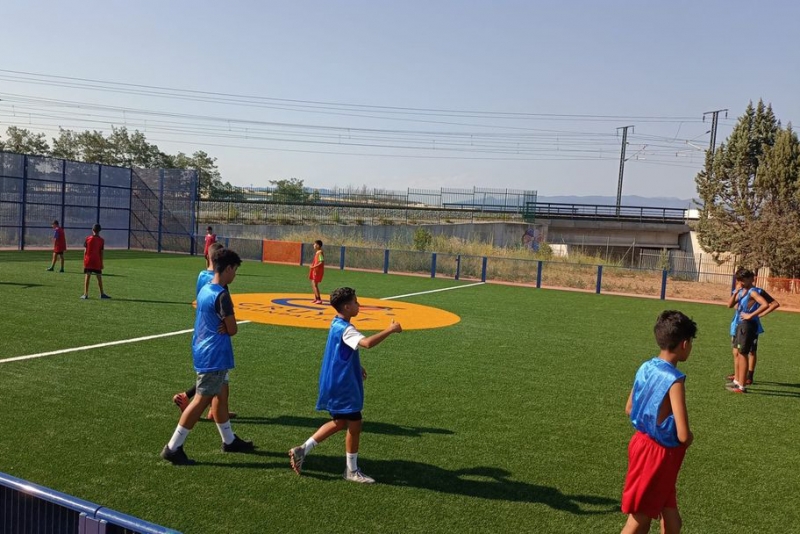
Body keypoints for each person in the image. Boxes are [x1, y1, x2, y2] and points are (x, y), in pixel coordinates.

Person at [289, 287, 402, 483]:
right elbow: (366, 343)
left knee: (341, 422)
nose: (359, 305)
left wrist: (357, 366)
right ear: (347, 306)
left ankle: (302, 450)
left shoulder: (336, 324)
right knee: (355, 423)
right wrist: (390, 330)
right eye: (356, 302)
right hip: (343, 385)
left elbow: (341, 353)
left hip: (336, 380)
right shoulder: (347, 329)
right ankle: (351, 470)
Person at [161, 248, 253, 465]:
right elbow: (232, 329)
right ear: (229, 268)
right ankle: (174, 447)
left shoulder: (205, 288)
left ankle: (229, 440)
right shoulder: (222, 295)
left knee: (221, 394)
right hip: (214, 353)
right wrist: (227, 325)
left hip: (202, 347)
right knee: (201, 400)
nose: (235, 275)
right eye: (235, 270)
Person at [621, 310, 697, 534]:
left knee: (671, 515)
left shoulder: (646, 366)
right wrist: (689, 438)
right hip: (659, 455)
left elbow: (629, 408)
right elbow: (683, 434)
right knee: (639, 519)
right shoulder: (674, 380)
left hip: (640, 444)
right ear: (684, 344)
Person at [173, 242, 238, 420]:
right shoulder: (220, 284)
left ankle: (216, 413)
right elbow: (224, 312)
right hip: (215, 333)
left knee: (215, 378)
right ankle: (191, 404)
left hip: (201, 328)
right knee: (214, 376)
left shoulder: (202, 276)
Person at [725, 268, 780, 388]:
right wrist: (735, 292)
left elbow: (769, 304)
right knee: (738, 352)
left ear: (751, 279)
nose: (740, 282)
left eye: (742, 280)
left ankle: (745, 380)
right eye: (739, 280)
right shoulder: (740, 291)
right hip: (739, 323)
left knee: (749, 351)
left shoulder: (755, 291)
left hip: (749, 324)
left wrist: (755, 315)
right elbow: (730, 305)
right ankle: (738, 379)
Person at [81, 224, 110, 300]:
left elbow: (85, 251)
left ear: (92, 230)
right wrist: (102, 263)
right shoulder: (101, 240)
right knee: (99, 277)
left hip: (88, 261)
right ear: (99, 231)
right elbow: (101, 253)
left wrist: (84, 261)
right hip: (97, 261)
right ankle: (102, 294)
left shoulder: (87, 238)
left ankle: (85, 294)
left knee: (87, 277)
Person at [309, 240, 325, 304]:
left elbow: (321, 262)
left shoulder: (320, 253)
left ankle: (319, 299)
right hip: (315, 270)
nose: (313, 245)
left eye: (314, 244)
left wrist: (313, 266)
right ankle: (316, 298)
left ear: (318, 245)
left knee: (315, 284)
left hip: (317, 270)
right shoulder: (317, 252)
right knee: (313, 284)